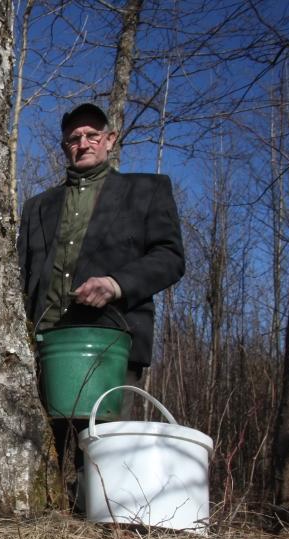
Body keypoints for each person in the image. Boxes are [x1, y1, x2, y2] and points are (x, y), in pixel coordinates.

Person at [17, 103, 185, 505]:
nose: (83, 143)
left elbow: (171, 257)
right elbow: (21, 278)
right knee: (41, 455)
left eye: (92, 135)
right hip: (44, 346)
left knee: (103, 453)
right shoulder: (38, 206)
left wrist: (116, 283)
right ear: (64, 148)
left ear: (110, 141)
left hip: (111, 342)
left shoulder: (147, 190)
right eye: (74, 138)